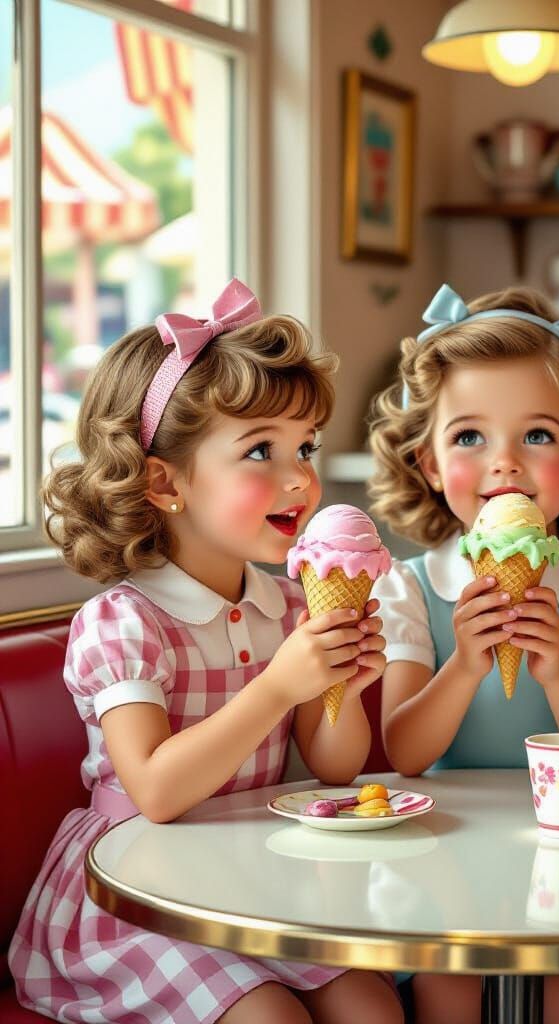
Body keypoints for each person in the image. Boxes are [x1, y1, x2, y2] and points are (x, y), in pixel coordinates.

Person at [9, 279, 402, 1024]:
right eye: (261, 450)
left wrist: (341, 686)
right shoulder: (125, 622)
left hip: (243, 871)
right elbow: (154, 791)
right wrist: (281, 688)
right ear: (164, 482)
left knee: (371, 1005)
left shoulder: (288, 603)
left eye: (305, 446)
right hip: (132, 887)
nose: (300, 478)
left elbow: (336, 766)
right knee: (267, 1018)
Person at [367, 283, 559, 1024]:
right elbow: (405, 751)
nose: (505, 463)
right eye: (469, 438)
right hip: (442, 843)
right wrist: (463, 664)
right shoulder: (410, 588)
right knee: (447, 984)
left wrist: (555, 667)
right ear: (427, 463)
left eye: (538, 436)